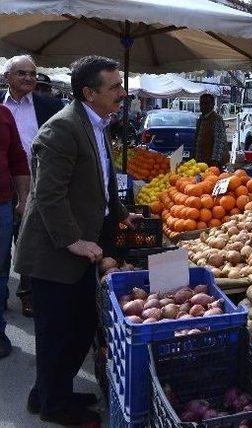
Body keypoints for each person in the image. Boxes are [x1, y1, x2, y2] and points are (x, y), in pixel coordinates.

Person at [14, 55, 136, 425]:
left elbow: (101, 179)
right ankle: (54, 406)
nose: (123, 92)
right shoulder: (62, 129)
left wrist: (118, 213)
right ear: (89, 92)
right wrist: (74, 242)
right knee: (59, 332)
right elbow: (48, 195)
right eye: (114, 87)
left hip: (81, 243)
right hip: (54, 251)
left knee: (79, 326)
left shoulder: (97, 124)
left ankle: (48, 393)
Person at [1, 55, 64, 317]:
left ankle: (29, 295)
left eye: (32, 73)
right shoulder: (1, 109)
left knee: (31, 244)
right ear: (7, 77)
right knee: (3, 247)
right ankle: (1, 298)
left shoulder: (50, 105)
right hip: (6, 184)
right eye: (22, 73)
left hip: (40, 185)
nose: (29, 78)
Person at [0, 104, 30, 359]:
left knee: (0, 268)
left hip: (2, 203)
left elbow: (18, 159)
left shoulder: (4, 114)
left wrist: (23, 198)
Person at [194, 93, 229, 167]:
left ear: (212, 105)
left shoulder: (217, 119)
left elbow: (219, 142)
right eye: (201, 103)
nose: (203, 106)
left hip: (214, 164)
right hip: (202, 163)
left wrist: (215, 161)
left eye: (206, 103)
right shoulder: (201, 119)